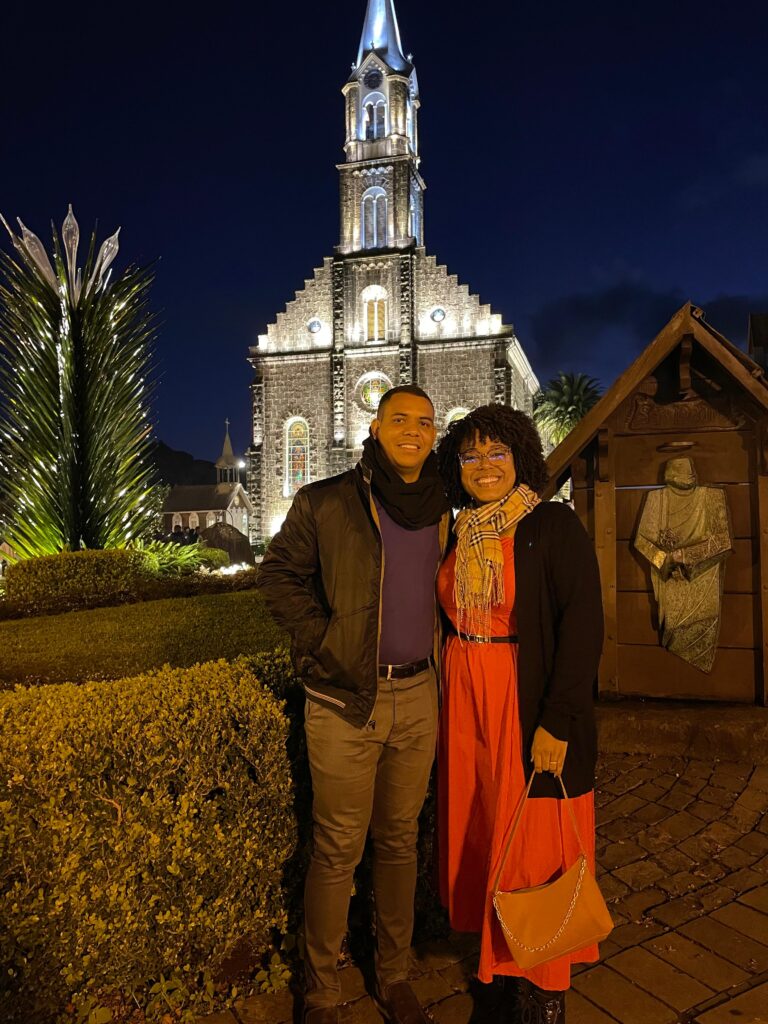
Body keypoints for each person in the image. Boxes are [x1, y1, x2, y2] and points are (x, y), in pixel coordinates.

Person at [257, 386, 451, 1024]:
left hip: (419, 692)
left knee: (399, 841)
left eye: (424, 422)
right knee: (337, 845)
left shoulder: (444, 506)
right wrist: (324, 641)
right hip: (344, 700)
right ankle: (321, 988)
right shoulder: (328, 501)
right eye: (400, 420)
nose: (413, 431)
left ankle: (393, 974)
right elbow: (279, 574)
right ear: (375, 426)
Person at [435, 404, 603, 1024]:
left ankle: (544, 988)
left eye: (497, 453)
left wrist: (557, 721)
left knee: (533, 842)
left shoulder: (550, 524)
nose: (484, 467)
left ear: (521, 459)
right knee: (485, 833)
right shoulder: (460, 530)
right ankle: (500, 963)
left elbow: (582, 626)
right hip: (466, 699)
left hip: (521, 695)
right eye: (471, 455)